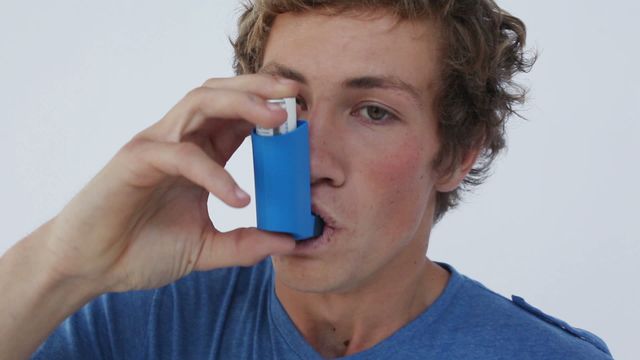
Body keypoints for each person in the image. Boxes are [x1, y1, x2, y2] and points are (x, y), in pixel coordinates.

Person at [0, 0, 613, 359]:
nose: (312, 159)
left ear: (456, 154)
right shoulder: (139, 320)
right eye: (288, 107)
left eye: (374, 111)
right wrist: (64, 263)